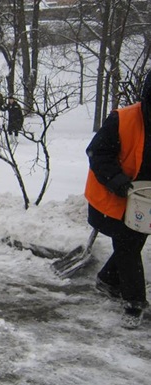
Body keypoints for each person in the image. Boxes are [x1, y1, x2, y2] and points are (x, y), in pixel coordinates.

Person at [84, 71, 151, 329]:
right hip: (112, 196)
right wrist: (116, 180)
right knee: (128, 246)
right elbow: (97, 153)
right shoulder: (123, 119)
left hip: (143, 199)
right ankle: (134, 303)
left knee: (133, 243)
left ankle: (108, 279)